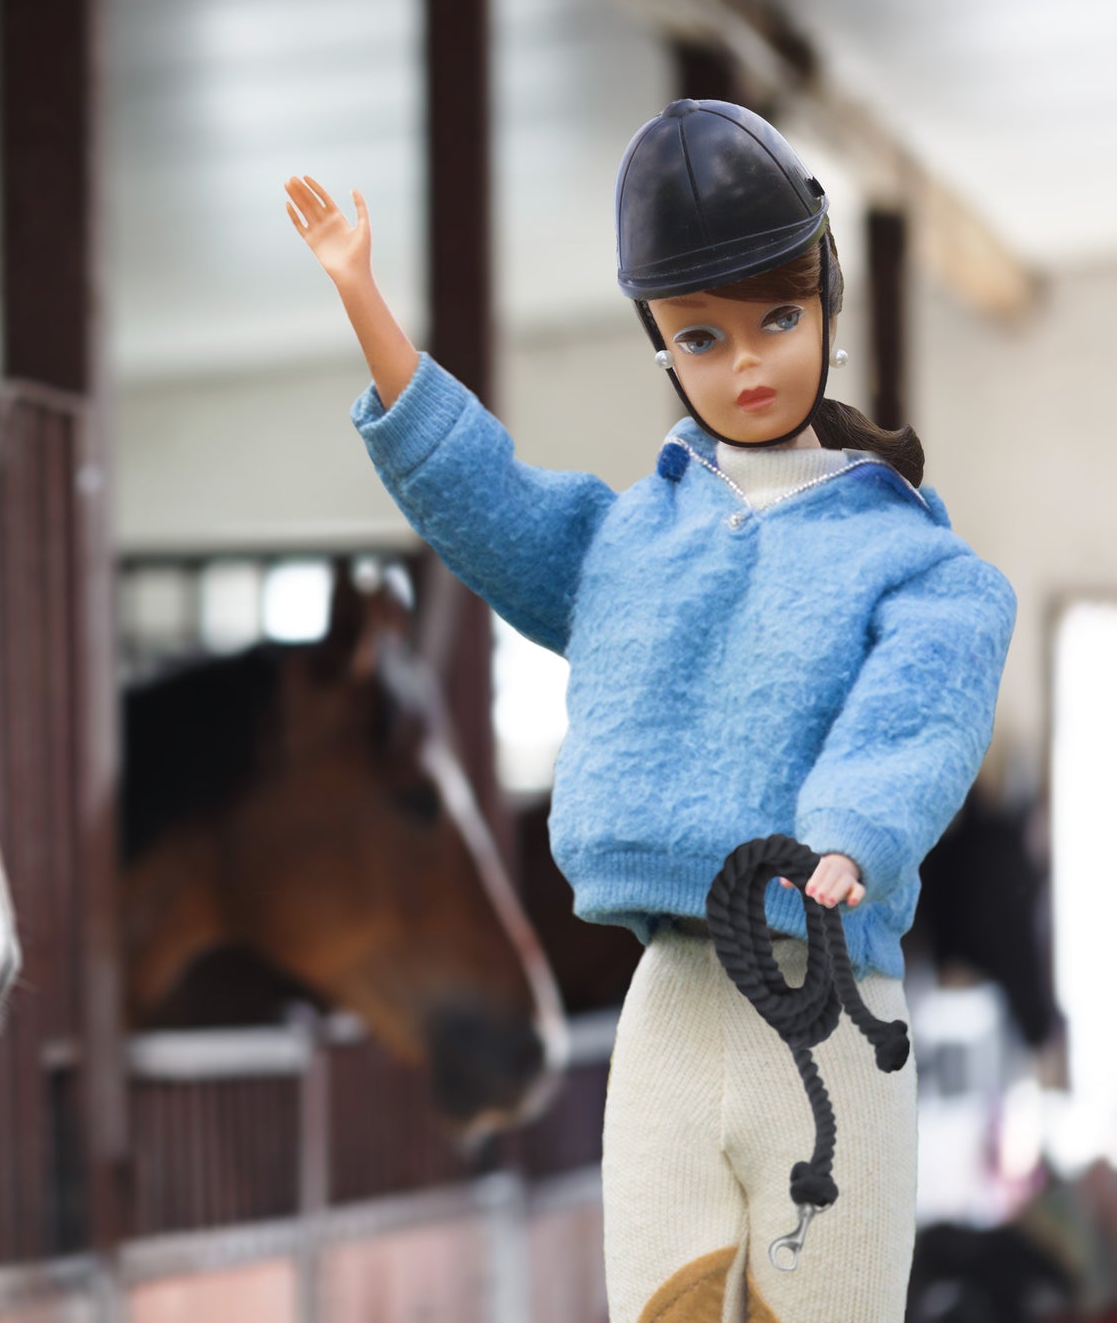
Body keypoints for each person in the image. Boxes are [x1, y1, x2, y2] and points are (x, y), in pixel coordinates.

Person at [287, 98, 1016, 1321]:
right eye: (700, 336)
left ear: (826, 302)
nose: (745, 364)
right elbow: (488, 499)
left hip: (824, 1000)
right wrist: (365, 303)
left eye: (777, 318)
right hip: (667, 1000)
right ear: (662, 347)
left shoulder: (916, 563)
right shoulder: (633, 539)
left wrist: (850, 833)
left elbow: (915, 716)